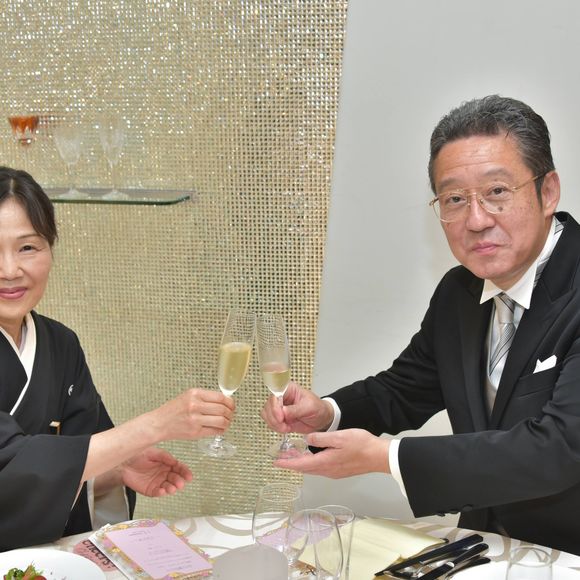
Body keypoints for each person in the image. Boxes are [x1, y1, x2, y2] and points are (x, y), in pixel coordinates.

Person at [262, 95, 580, 555]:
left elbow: (561, 448)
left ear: (547, 191)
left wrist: (386, 458)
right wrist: (328, 413)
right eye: (455, 199)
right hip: (485, 550)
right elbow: (406, 389)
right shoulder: (460, 291)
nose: (476, 220)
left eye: (497, 192)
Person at [0, 166, 235, 550]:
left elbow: (78, 454)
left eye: (28, 247)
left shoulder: (60, 344)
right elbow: (13, 465)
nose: (10, 270)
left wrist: (114, 470)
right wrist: (157, 424)